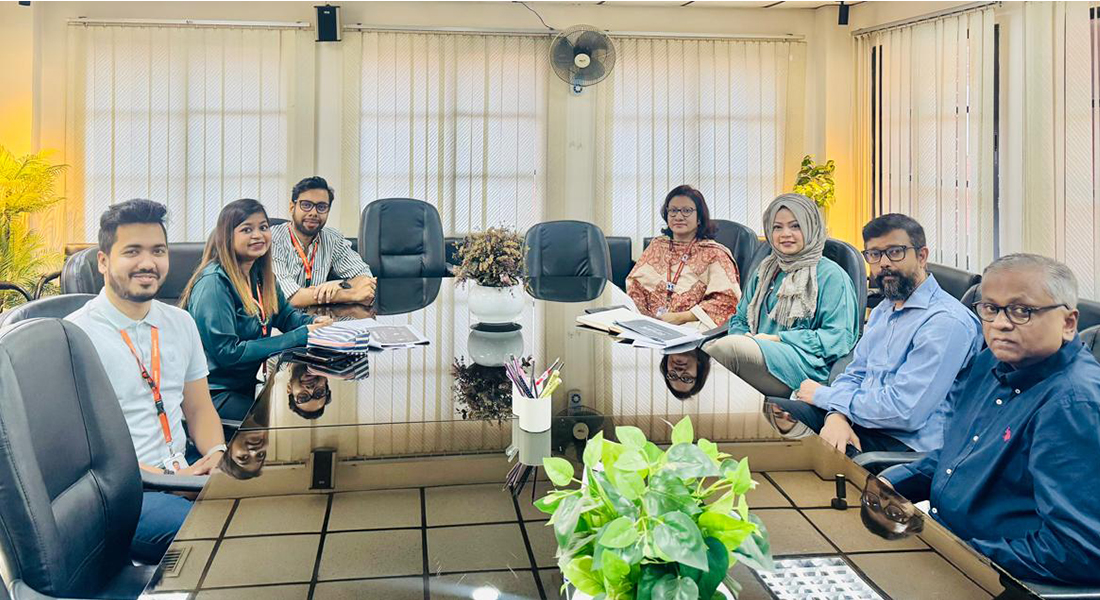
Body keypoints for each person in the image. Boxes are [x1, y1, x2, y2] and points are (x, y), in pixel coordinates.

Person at [879, 254, 1100, 585]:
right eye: (991, 309)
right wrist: (891, 483)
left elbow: (1078, 551)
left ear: (1068, 323)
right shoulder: (990, 364)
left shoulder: (1073, 404)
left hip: (995, 576)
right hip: (946, 544)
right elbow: (962, 452)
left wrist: (956, 554)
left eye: (1022, 311)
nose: (1000, 323)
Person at [66, 199, 227, 563]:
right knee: (219, 538)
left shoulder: (180, 323)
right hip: (124, 491)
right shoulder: (74, 336)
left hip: (184, 469)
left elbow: (199, 408)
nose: (148, 262)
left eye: (158, 251)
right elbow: (77, 455)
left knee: (272, 511)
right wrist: (168, 478)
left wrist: (216, 453)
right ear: (103, 261)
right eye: (132, 251)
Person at [766, 214, 982, 456]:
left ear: (922, 256)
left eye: (895, 252)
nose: (884, 263)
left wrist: (824, 396)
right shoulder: (885, 309)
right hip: (861, 419)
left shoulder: (946, 323)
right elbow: (856, 373)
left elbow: (904, 411)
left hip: (902, 444)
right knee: (770, 413)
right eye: (874, 254)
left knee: (796, 453)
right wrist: (837, 415)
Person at [180, 198, 332, 421]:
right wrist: (300, 335)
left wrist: (313, 324)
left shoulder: (261, 276)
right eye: (247, 229)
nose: (258, 235)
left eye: (263, 227)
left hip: (244, 385)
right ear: (227, 236)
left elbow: (286, 316)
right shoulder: (214, 283)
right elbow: (228, 353)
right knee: (274, 423)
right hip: (211, 393)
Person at [703, 193, 858, 397]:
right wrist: (743, 337)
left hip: (806, 365)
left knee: (726, 349)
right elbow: (740, 318)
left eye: (795, 226)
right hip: (757, 352)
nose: (785, 234)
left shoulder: (832, 276)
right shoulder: (765, 271)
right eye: (777, 227)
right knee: (705, 351)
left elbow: (838, 338)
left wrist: (777, 339)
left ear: (811, 227)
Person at [626, 185, 741, 328]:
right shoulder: (657, 245)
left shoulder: (714, 253)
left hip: (692, 325)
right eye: (673, 210)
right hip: (650, 324)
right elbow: (634, 285)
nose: (679, 217)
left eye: (686, 211)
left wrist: (681, 317)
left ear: (699, 218)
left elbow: (726, 301)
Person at [271, 176, 376, 308]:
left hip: (320, 317)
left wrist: (340, 285)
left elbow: (366, 278)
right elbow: (288, 297)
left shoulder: (332, 239)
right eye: (306, 205)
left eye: (321, 207)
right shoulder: (272, 239)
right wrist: (349, 294)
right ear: (292, 207)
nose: (314, 213)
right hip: (280, 319)